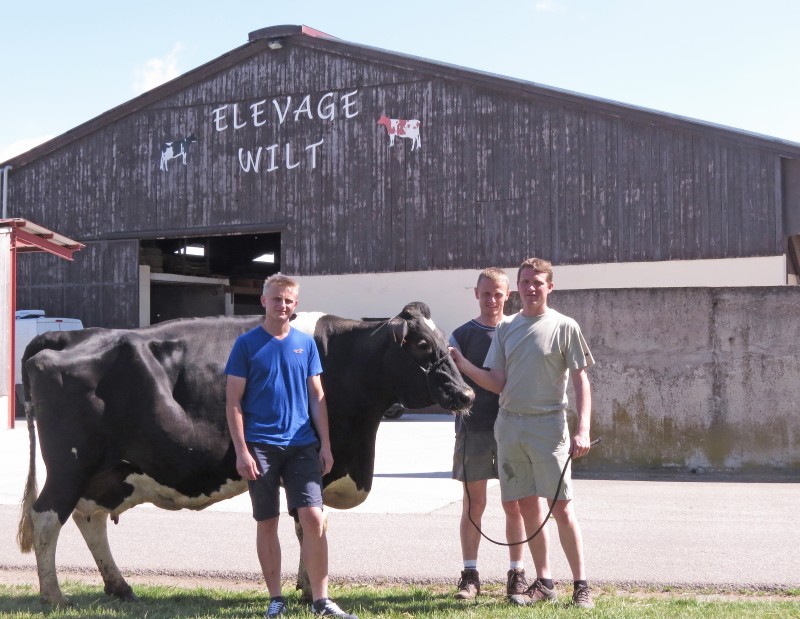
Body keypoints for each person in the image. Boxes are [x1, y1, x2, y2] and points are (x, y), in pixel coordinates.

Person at [450, 257, 596, 609]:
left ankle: (581, 585)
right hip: (510, 427)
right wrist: (464, 365)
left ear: (550, 287)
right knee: (529, 507)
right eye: (526, 282)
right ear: (518, 287)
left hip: (549, 427)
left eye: (538, 282)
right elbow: (498, 383)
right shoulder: (507, 329)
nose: (531, 288)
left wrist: (583, 429)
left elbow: (581, 381)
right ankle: (544, 582)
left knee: (561, 509)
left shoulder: (565, 326)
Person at [225, 274, 357, 619]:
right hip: (261, 447)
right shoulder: (246, 345)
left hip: (302, 446)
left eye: (287, 300)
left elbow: (317, 397)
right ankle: (275, 599)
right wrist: (241, 450)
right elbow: (233, 402)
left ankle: (321, 600)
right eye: (275, 299)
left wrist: (325, 445)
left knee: (314, 518)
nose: (281, 305)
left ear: (294, 305)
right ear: (263, 301)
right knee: (267, 521)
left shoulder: (305, 343)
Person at [449, 268, 535, 602]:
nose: (492, 300)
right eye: (486, 294)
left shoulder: (518, 331)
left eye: (498, 294)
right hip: (475, 430)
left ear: (508, 295)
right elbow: (449, 385)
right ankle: (470, 576)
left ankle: (517, 574)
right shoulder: (461, 336)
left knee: (514, 505)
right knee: (474, 504)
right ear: (476, 294)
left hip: (514, 430)